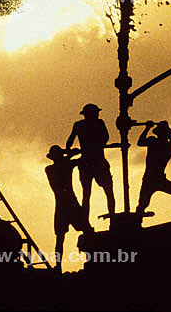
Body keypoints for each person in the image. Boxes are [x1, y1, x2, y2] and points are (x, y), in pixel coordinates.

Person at [45, 145, 93, 273]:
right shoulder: (52, 169)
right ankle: (92, 260)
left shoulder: (54, 167)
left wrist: (70, 154)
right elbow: (71, 162)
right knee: (85, 231)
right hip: (70, 204)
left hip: (61, 206)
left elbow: (73, 162)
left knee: (61, 238)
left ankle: (59, 266)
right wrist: (73, 153)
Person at [66, 104, 116, 221]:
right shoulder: (98, 123)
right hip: (97, 162)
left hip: (87, 163)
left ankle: (86, 222)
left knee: (87, 195)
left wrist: (69, 152)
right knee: (107, 191)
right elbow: (106, 138)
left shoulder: (79, 125)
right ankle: (111, 217)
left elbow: (69, 141)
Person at [136, 121, 171, 220]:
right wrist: (169, 133)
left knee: (142, 205)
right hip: (153, 179)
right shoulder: (167, 145)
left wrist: (147, 128)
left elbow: (140, 142)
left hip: (153, 179)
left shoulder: (154, 142)